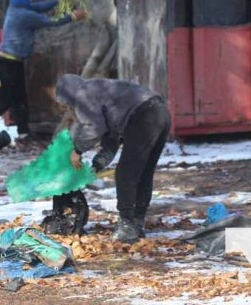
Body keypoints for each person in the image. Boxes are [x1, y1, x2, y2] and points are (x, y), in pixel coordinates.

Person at [54, 74, 171, 242]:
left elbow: (94, 129)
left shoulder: (84, 94)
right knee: (143, 173)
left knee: (125, 174)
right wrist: (95, 168)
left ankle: (127, 225)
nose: (71, 109)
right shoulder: (101, 95)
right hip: (161, 113)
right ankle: (137, 222)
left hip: (144, 116)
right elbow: (110, 142)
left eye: (67, 104)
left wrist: (77, 150)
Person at [0, 0, 86, 143]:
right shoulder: (23, 15)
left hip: (12, 61)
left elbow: (39, 6)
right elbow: (52, 21)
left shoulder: (16, 8)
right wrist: (74, 15)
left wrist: (60, 1)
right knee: (5, 99)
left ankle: (23, 133)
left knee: (20, 98)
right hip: (8, 63)